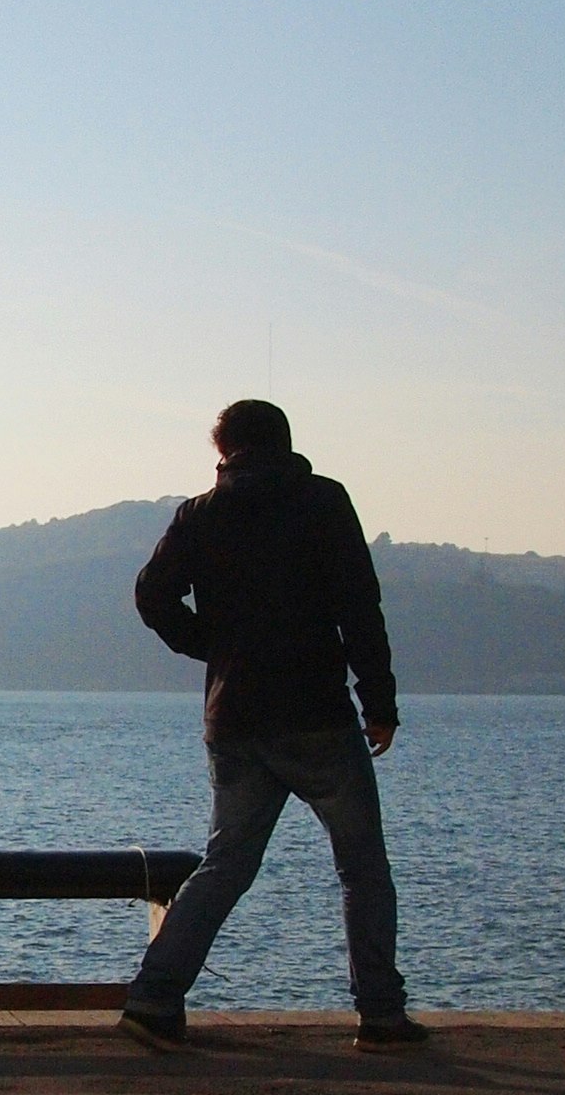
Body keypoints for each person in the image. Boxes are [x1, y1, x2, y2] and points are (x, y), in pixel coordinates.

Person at [120, 401, 425, 1051]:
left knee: (225, 864)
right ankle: (380, 1015)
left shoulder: (201, 513)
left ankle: (153, 999)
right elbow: (360, 609)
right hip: (316, 714)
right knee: (362, 867)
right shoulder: (323, 502)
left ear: (226, 451)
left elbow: (151, 593)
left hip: (235, 718)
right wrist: (380, 704)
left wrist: (212, 647)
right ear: (286, 444)